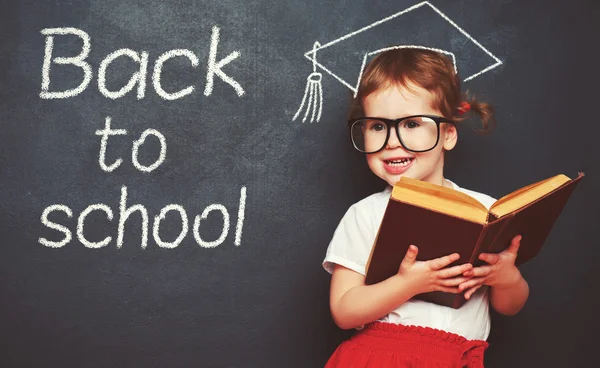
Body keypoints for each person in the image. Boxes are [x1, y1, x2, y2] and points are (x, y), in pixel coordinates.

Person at [322, 48, 530, 367]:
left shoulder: (485, 209)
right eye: (377, 126)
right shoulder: (365, 214)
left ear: (447, 134)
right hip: (383, 358)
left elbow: (510, 306)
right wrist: (408, 284)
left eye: (411, 124)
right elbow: (344, 311)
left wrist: (506, 278)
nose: (392, 140)